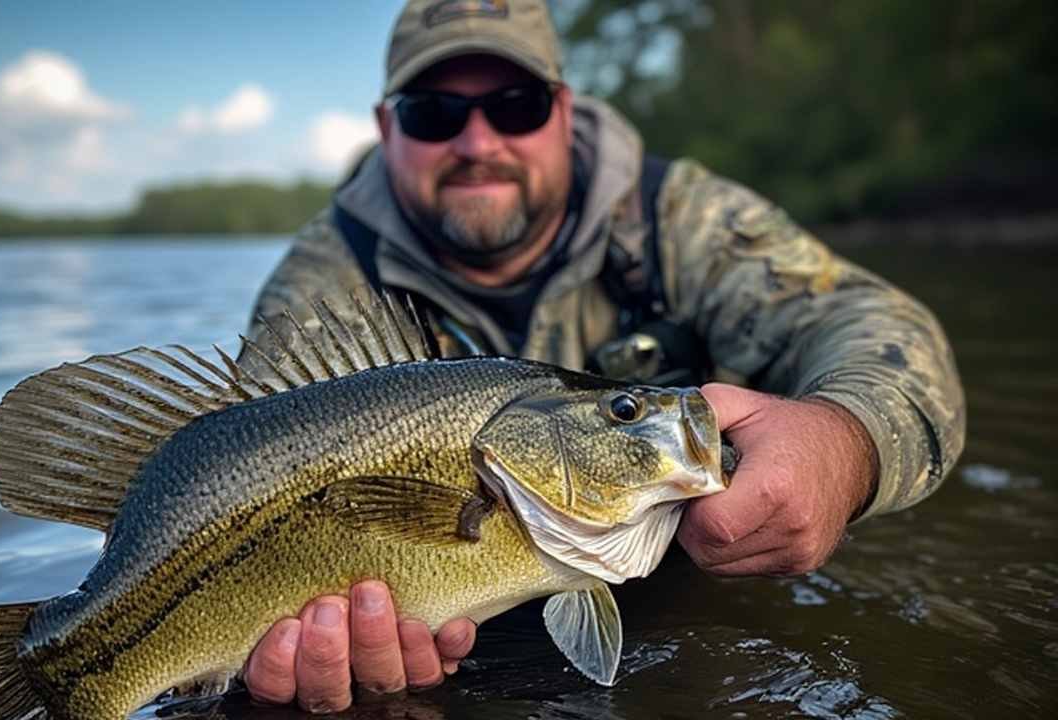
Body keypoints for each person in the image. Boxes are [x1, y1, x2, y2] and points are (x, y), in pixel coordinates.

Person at [235, 0, 965, 713]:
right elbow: (239, 471)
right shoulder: (322, 287)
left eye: (516, 106)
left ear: (563, 110)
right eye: (434, 113)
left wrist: (843, 441)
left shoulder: (676, 220)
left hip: (673, 589)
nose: (478, 143)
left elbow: (871, 322)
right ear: (387, 127)